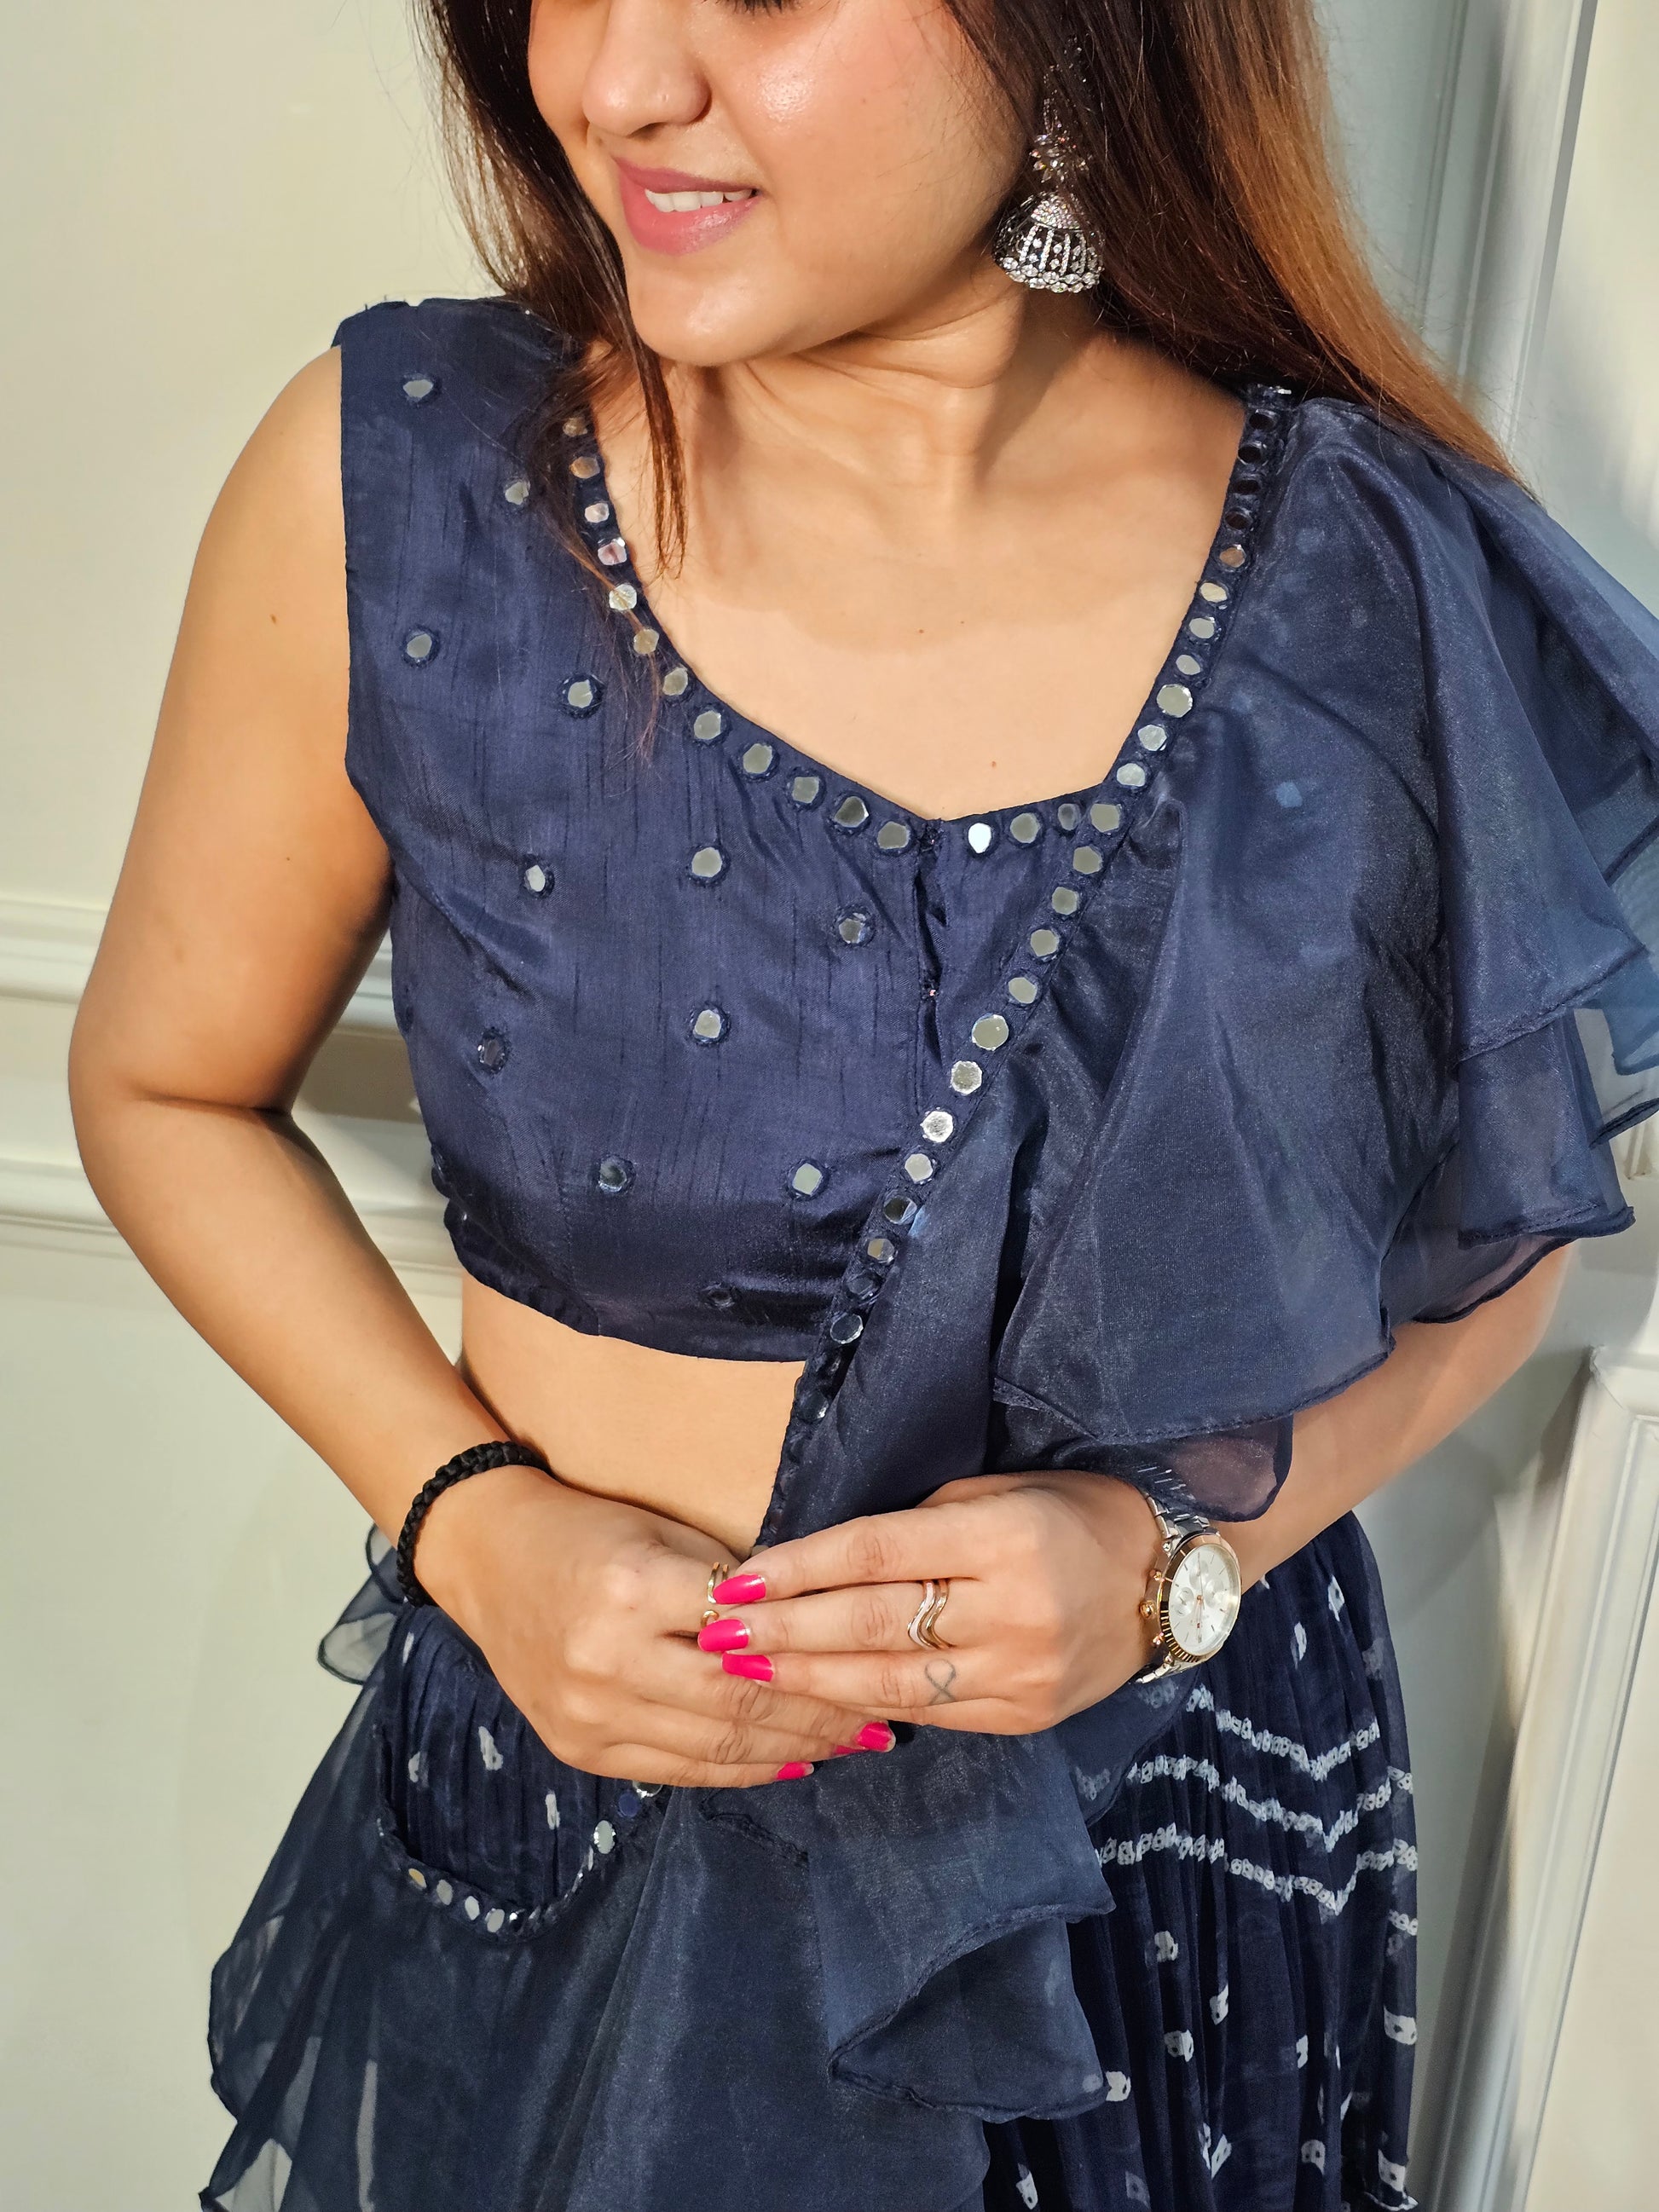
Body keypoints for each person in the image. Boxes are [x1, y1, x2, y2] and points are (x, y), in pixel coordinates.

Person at [66, 0, 1659, 2205]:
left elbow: (1494, 1243)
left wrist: (1169, 1560)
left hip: (1155, 1862)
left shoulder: (1367, 566)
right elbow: (163, 1085)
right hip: (587, 1822)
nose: (617, 80)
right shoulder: (413, 475)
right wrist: (474, 1528)